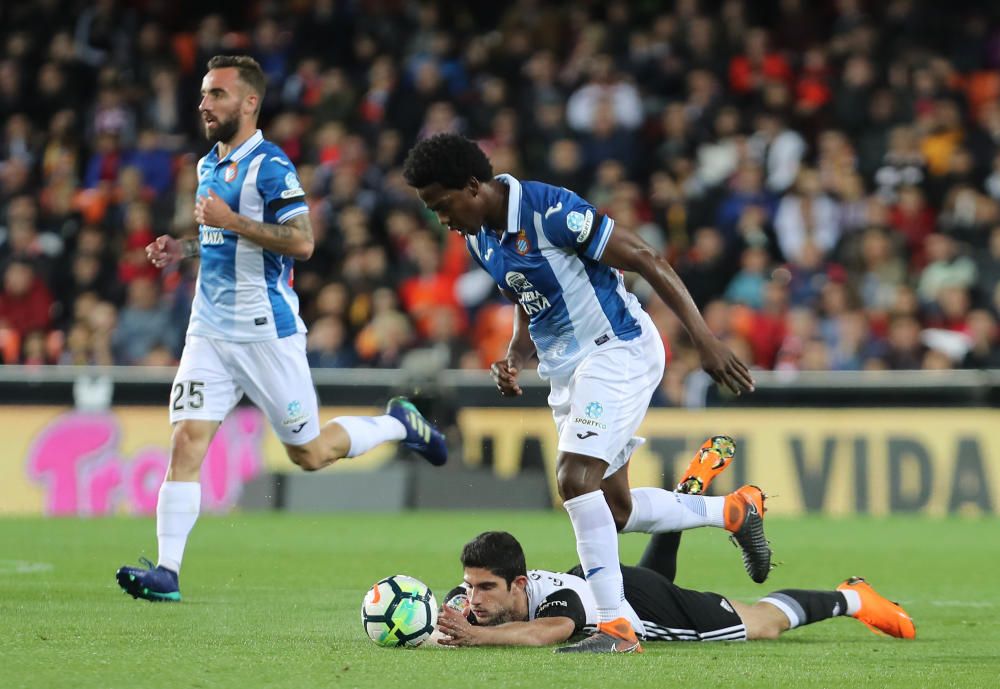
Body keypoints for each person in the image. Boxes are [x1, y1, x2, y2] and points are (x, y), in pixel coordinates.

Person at [403, 133, 760, 653]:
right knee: (613, 508)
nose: (442, 220)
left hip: (617, 349)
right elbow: (530, 300)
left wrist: (704, 341)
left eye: (442, 205)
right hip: (567, 371)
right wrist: (516, 357)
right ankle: (733, 511)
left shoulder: (551, 211)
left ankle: (616, 628)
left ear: (473, 186)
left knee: (574, 478)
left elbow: (646, 256)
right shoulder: (479, 237)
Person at [116, 56, 447, 603]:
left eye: (217, 94)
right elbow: (224, 241)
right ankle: (167, 572)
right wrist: (186, 248)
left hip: (265, 330)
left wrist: (230, 220)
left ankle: (399, 424)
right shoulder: (208, 165)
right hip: (208, 332)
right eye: (203, 94)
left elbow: (302, 241)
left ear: (249, 102)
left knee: (310, 454)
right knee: (186, 442)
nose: (203, 103)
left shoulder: (271, 165)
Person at [431, 529, 915, 650]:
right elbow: (447, 613)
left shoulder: (561, 600)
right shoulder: (475, 594)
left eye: (486, 588)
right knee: (653, 578)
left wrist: (479, 637)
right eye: (471, 587)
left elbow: (548, 632)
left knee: (761, 625)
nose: (474, 599)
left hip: (639, 604)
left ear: (520, 583)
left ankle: (852, 596)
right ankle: (677, 510)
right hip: (615, 582)